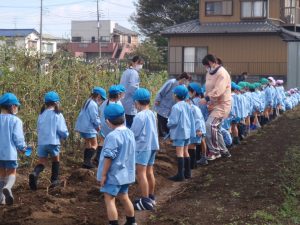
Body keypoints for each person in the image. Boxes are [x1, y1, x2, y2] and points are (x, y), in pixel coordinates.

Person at [96, 104, 137, 225]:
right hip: (126, 174)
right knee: (124, 196)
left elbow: (109, 157)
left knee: (109, 199)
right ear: (123, 116)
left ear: (107, 121)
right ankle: (132, 222)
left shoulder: (112, 136)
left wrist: (103, 175)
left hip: (114, 175)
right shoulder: (130, 133)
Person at [29, 91, 69, 190]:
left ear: (45, 103)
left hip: (42, 142)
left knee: (42, 162)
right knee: (56, 160)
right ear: (56, 103)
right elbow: (62, 130)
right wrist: (65, 136)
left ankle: (35, 173)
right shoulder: (57, 115)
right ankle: (54, 181)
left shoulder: (41, 115)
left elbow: (38, 128)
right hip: (53, 142)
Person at [130, 88, 159, 211]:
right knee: (149, 172)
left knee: (141, 173)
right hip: (153, 145)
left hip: (143, 147)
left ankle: (145, 201)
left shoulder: (139, 116)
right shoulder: (152, 113)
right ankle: (151, 198)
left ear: (137, 102)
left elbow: (134, 133)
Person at [200, 54, 231, 160]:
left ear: (211, 63)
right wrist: (208, 100)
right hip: (214, 104)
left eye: (206, 65)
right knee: (216, 129)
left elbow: (219, 90)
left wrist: (207, 99)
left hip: (222, 105)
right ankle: (224, 150)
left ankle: (215, 151)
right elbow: (208, 88)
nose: (206, 68)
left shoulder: (222, 73)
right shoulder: (209, 73)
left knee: (210, 125)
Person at [0, 93, 26, 205]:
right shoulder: (16, 121)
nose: (17, 108)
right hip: (10, 153)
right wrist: (22, 147)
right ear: (12, 106)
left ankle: (1, 198)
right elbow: (18, 137)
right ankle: (8, 187)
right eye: (16, 105)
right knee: (12, 172)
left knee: (1, 174)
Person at [167, 85, 194, 182]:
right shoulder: (188, 105)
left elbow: (173, 122)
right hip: (187, 132)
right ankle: (188, 173)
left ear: (175, 95)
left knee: (179, 153)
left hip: (179, 133)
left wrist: (168, 123)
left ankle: (180, 175)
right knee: (186, 151)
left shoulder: (176, 107)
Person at [75, 87, 106, 169]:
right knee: (94, 144)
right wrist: (98, 126)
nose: (102, 100)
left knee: (88, 144)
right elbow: (94, 117)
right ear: (98, 96)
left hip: (82, 127)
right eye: (102, 98)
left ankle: (86, 162)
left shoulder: (88, 101)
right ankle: (87, 162)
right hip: (88, 128)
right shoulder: (93, 104)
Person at [154, 72, 191, 137]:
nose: (187, 82)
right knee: (161, 126)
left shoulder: (183, 86)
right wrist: (157, 100)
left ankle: (167, 140)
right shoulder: (172, 82)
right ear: (184, 79)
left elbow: (186, 97)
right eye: (188, 80)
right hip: (163, 106)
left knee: (168, 126)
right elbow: (161, 91)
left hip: (172, 109)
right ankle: (162, 140)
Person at [120, 56, 144, 128]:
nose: (141, 66)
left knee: (125, 124)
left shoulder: (126, 71)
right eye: (140, 64)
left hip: (124, 101)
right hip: (130, 103)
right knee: (131, 126)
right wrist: (139, 98)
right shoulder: (134, 73)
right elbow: (133, 88)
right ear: (135, 62)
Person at [187, 82, 206, 168]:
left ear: (194, 92)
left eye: (189, 91)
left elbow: (197, 117)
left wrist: (198, 129)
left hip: (198, 125)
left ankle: (197, 161)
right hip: (202, 124)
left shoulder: (195, 102)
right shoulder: (201, 100)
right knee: (200, 142)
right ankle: (202, 158)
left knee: (196, 144)